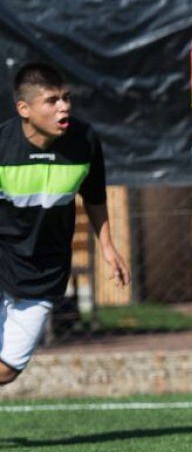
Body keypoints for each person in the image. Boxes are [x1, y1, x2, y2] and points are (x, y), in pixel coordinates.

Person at [0, 63, 130, 385]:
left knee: (7, 369)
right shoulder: (2, 146)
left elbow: (95, 196)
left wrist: (108, 247)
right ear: (24, 109)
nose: (64, 107)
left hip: (45, 270)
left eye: (66, 98)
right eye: (52, 101)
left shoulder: (84, 140)